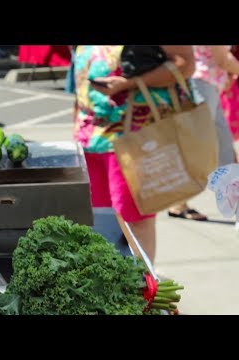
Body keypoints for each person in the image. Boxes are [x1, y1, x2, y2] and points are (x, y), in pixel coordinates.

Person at [73, 45, 196, 263]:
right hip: (89, 137)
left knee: (133, 220)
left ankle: (140, 290)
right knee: (98, 222)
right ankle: (109, 290)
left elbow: (184, 63)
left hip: (132, 136)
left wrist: (129, 83)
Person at [168, 46, 239, 221]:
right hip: (202, 86)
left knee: (223, 147)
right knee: (202, 149)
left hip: (205, 86)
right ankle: (177, 200)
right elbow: (223, 59)